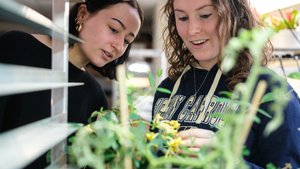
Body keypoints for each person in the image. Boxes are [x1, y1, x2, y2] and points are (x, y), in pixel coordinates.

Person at [151, 0, 300, 168]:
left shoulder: (271, 92)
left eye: (205, 15)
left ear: (234, 15)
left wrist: (226, 160)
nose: (192, 30)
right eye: (183, 18)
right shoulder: (168, 89)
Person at [0, 0, 143, 168]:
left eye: (127, 41)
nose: (118, 46)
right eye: (113, 29)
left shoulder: (95, 96)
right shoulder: (16, 47)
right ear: (83, 14)